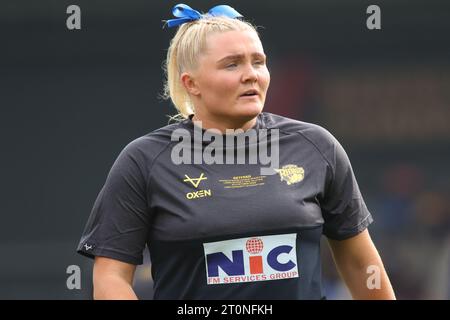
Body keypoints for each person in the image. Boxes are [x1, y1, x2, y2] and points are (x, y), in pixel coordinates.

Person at [77, 3, 396, 300]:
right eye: (232, 65)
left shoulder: (316, 146)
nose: (251, 75)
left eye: (258, 62)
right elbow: (111, 278)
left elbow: (360, 265)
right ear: (192, 83)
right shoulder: (143, 161)